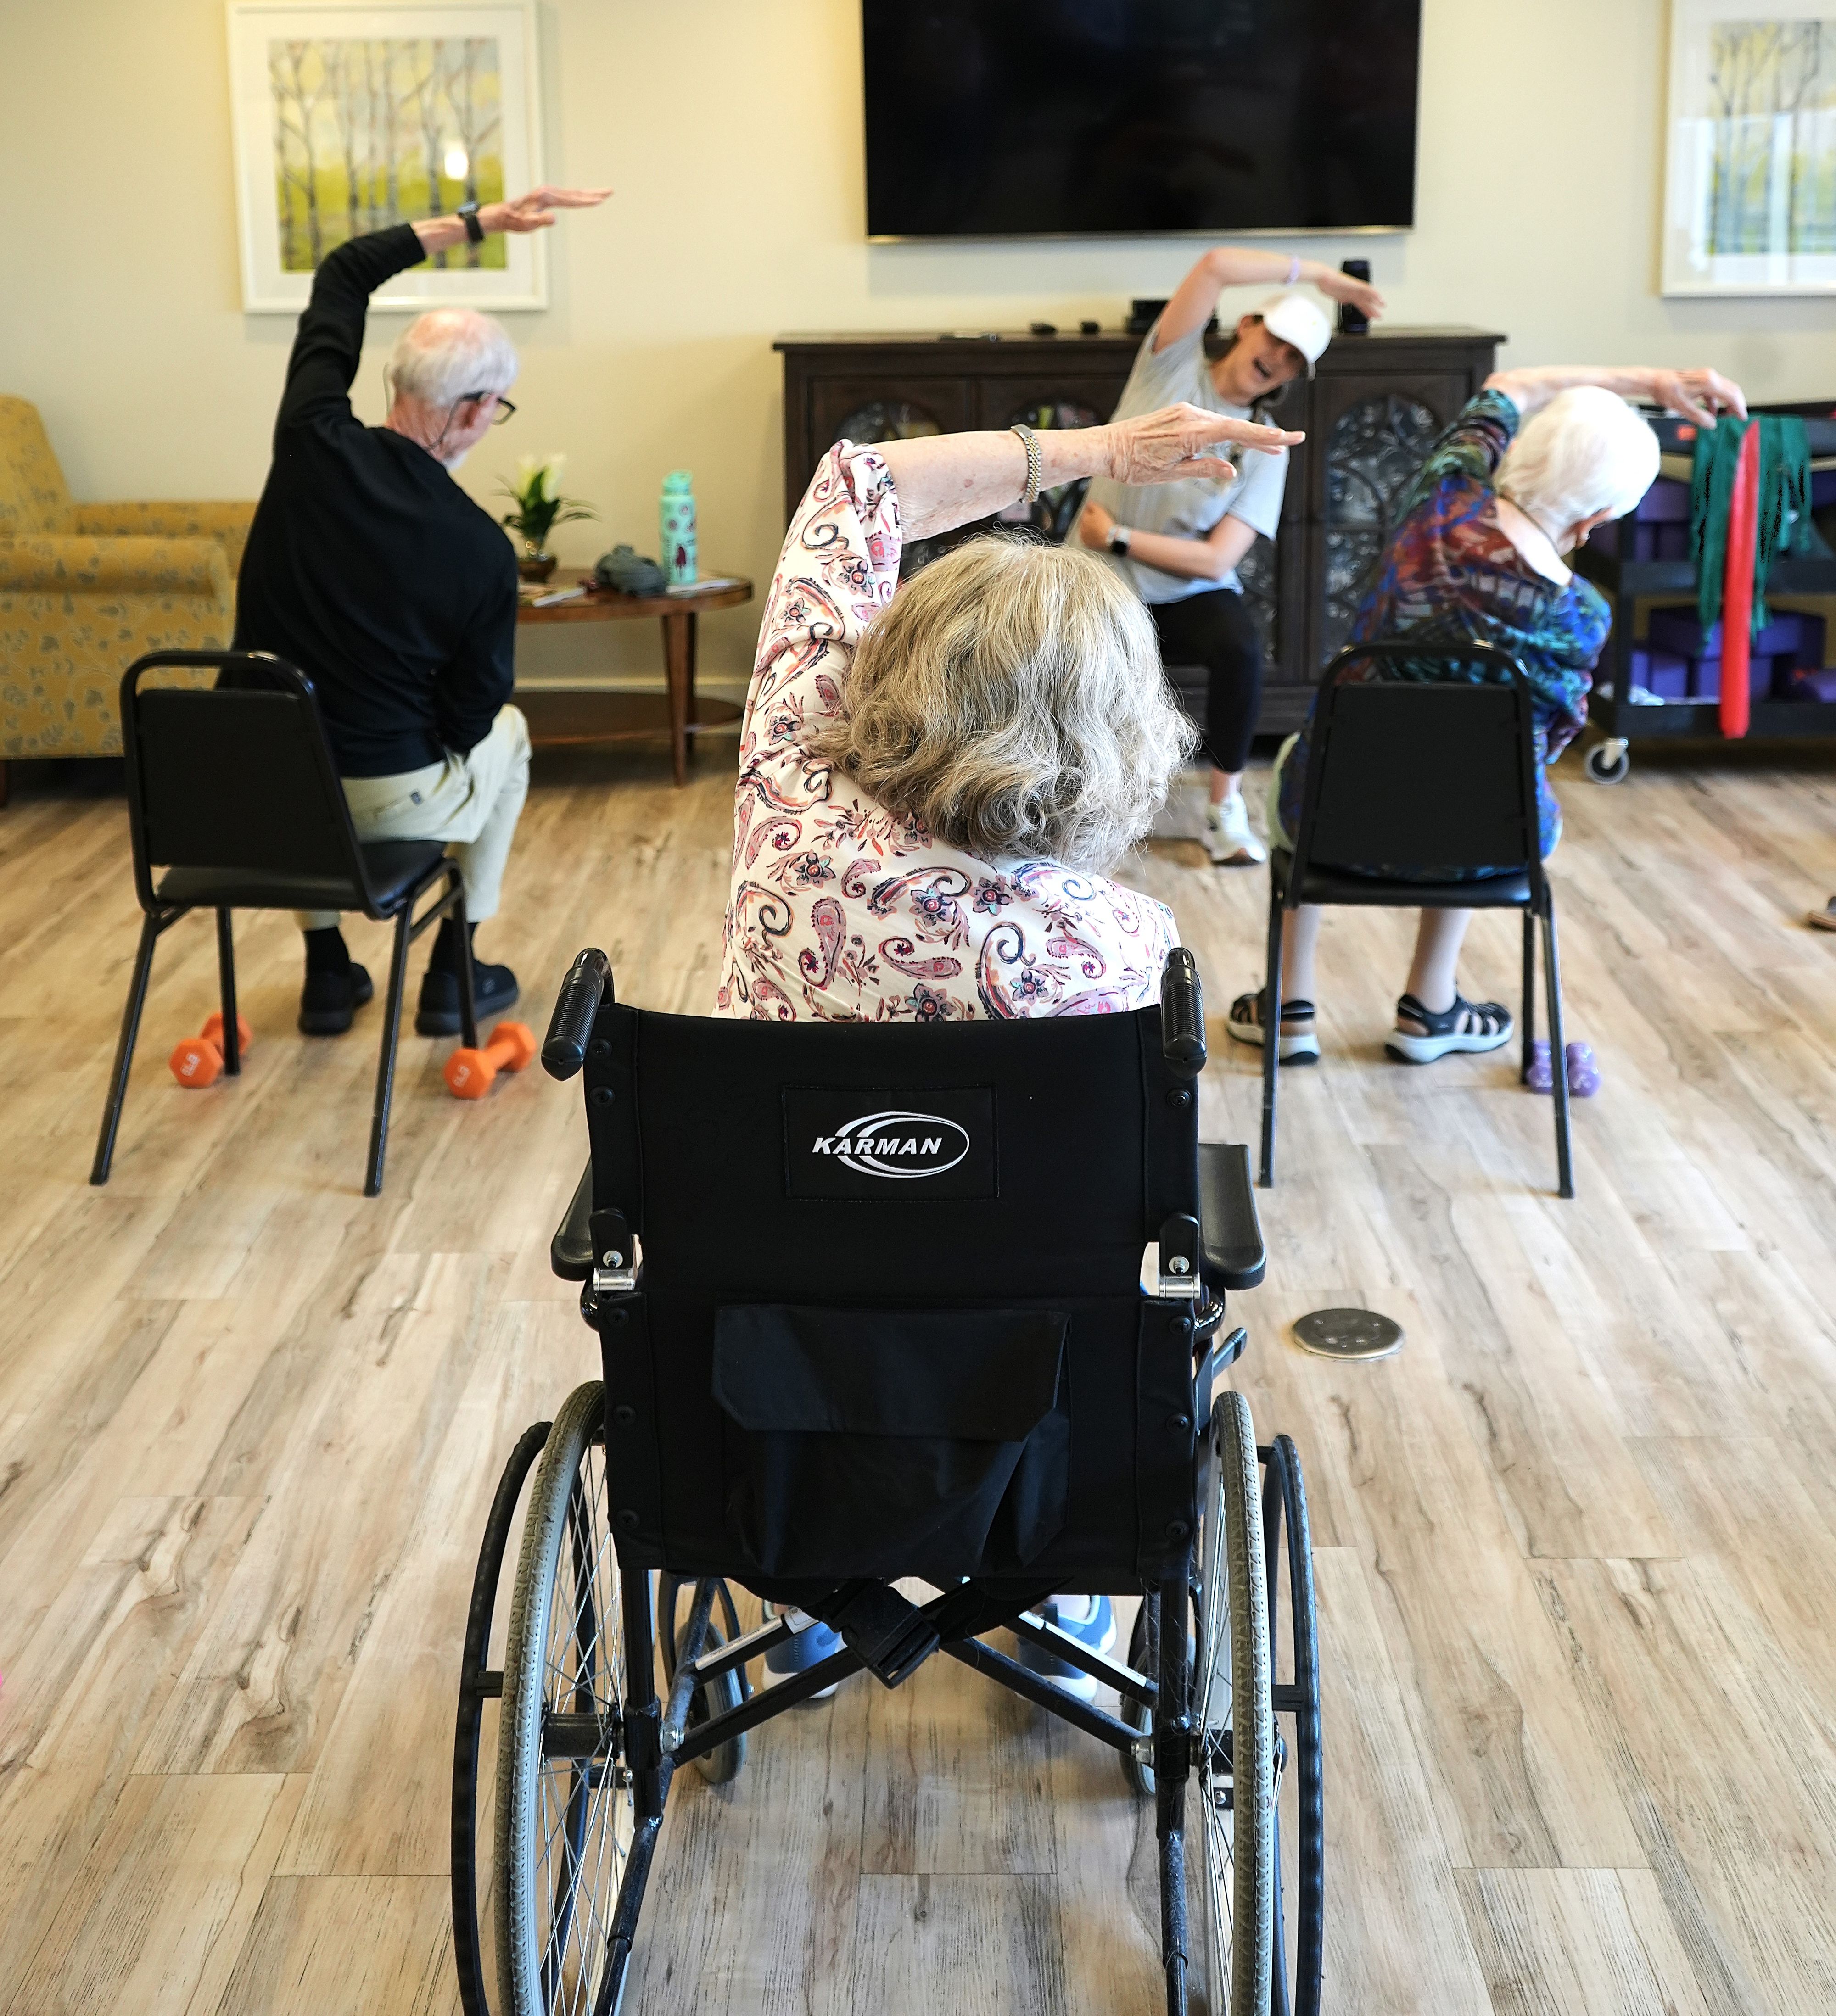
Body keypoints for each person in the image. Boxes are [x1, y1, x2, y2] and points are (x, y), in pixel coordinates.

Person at [717, 397, 1301, 1691]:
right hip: (1028, 1378)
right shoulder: (1124, 947)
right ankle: (1064, 1595)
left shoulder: (788, 812)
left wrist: (1098, 453)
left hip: (785, 1338)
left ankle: (807, 1576)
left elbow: (857, 485)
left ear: (888, 672)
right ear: (1117, 734)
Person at [1226, 363, 1746, 1067]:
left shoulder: (1439, 500)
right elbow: (1549, 742)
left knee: (1314, 755)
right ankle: (1430, 1007)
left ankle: (1288, 1006)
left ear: (1518, 453)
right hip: (1484, 841)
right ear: (1594, 522)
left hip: (1332, 822)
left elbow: (1514, 381)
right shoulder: (1583, 619)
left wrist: (1651, 380)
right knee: (1489, 772)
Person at [234, 184, 611, 1037]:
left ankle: (327, 972)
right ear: (476, 409)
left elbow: (343, 272)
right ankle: (454, 967)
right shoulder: (480, 548)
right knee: (509, 734)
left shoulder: (307, 433)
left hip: (259, 792)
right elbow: (473, 710)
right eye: (497, 408)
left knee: (292, 722)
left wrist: (480, 223)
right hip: (385, 797)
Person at [1074, 248, 1385, 866]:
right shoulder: (1168, 372)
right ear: (1246, 327)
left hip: (1168, 579)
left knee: (1241, 646)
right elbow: (1214, 265)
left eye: (1296, 359)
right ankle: (1077, 806)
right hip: (1099, 580)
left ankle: (1224, 810)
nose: (1279, 359)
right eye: (1278, 339)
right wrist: (1320, 278)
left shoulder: (1268, 447)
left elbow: (1218, 561)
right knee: (1068, 658)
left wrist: (1118, 536)